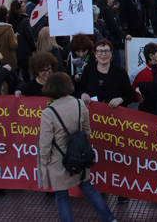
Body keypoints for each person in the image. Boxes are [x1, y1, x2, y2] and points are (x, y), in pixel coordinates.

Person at [38, 72, 116, 222]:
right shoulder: (78, 103)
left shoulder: (49, 112)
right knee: (88, 189)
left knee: (62, 197)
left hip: (58, 160)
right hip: (79, 156)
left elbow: (45, 142)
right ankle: (109, 219)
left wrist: (44, 161)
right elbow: (87, 130)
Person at [79, 39, 133, 109]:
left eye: (106, 51)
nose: (103, 54)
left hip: (114, 114)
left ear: (111, 53)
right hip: (92, 112)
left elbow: (130, 95)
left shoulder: (120, 72)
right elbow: (81, 89)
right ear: (95, 54)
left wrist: (121, 99)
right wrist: (83, 94)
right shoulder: (88, 69)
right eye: (100, 51)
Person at [132, 42, 157, 115]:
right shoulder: (138, 72)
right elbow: (128, 89)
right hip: (146, 112)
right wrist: (137, 97)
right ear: (151, 56)